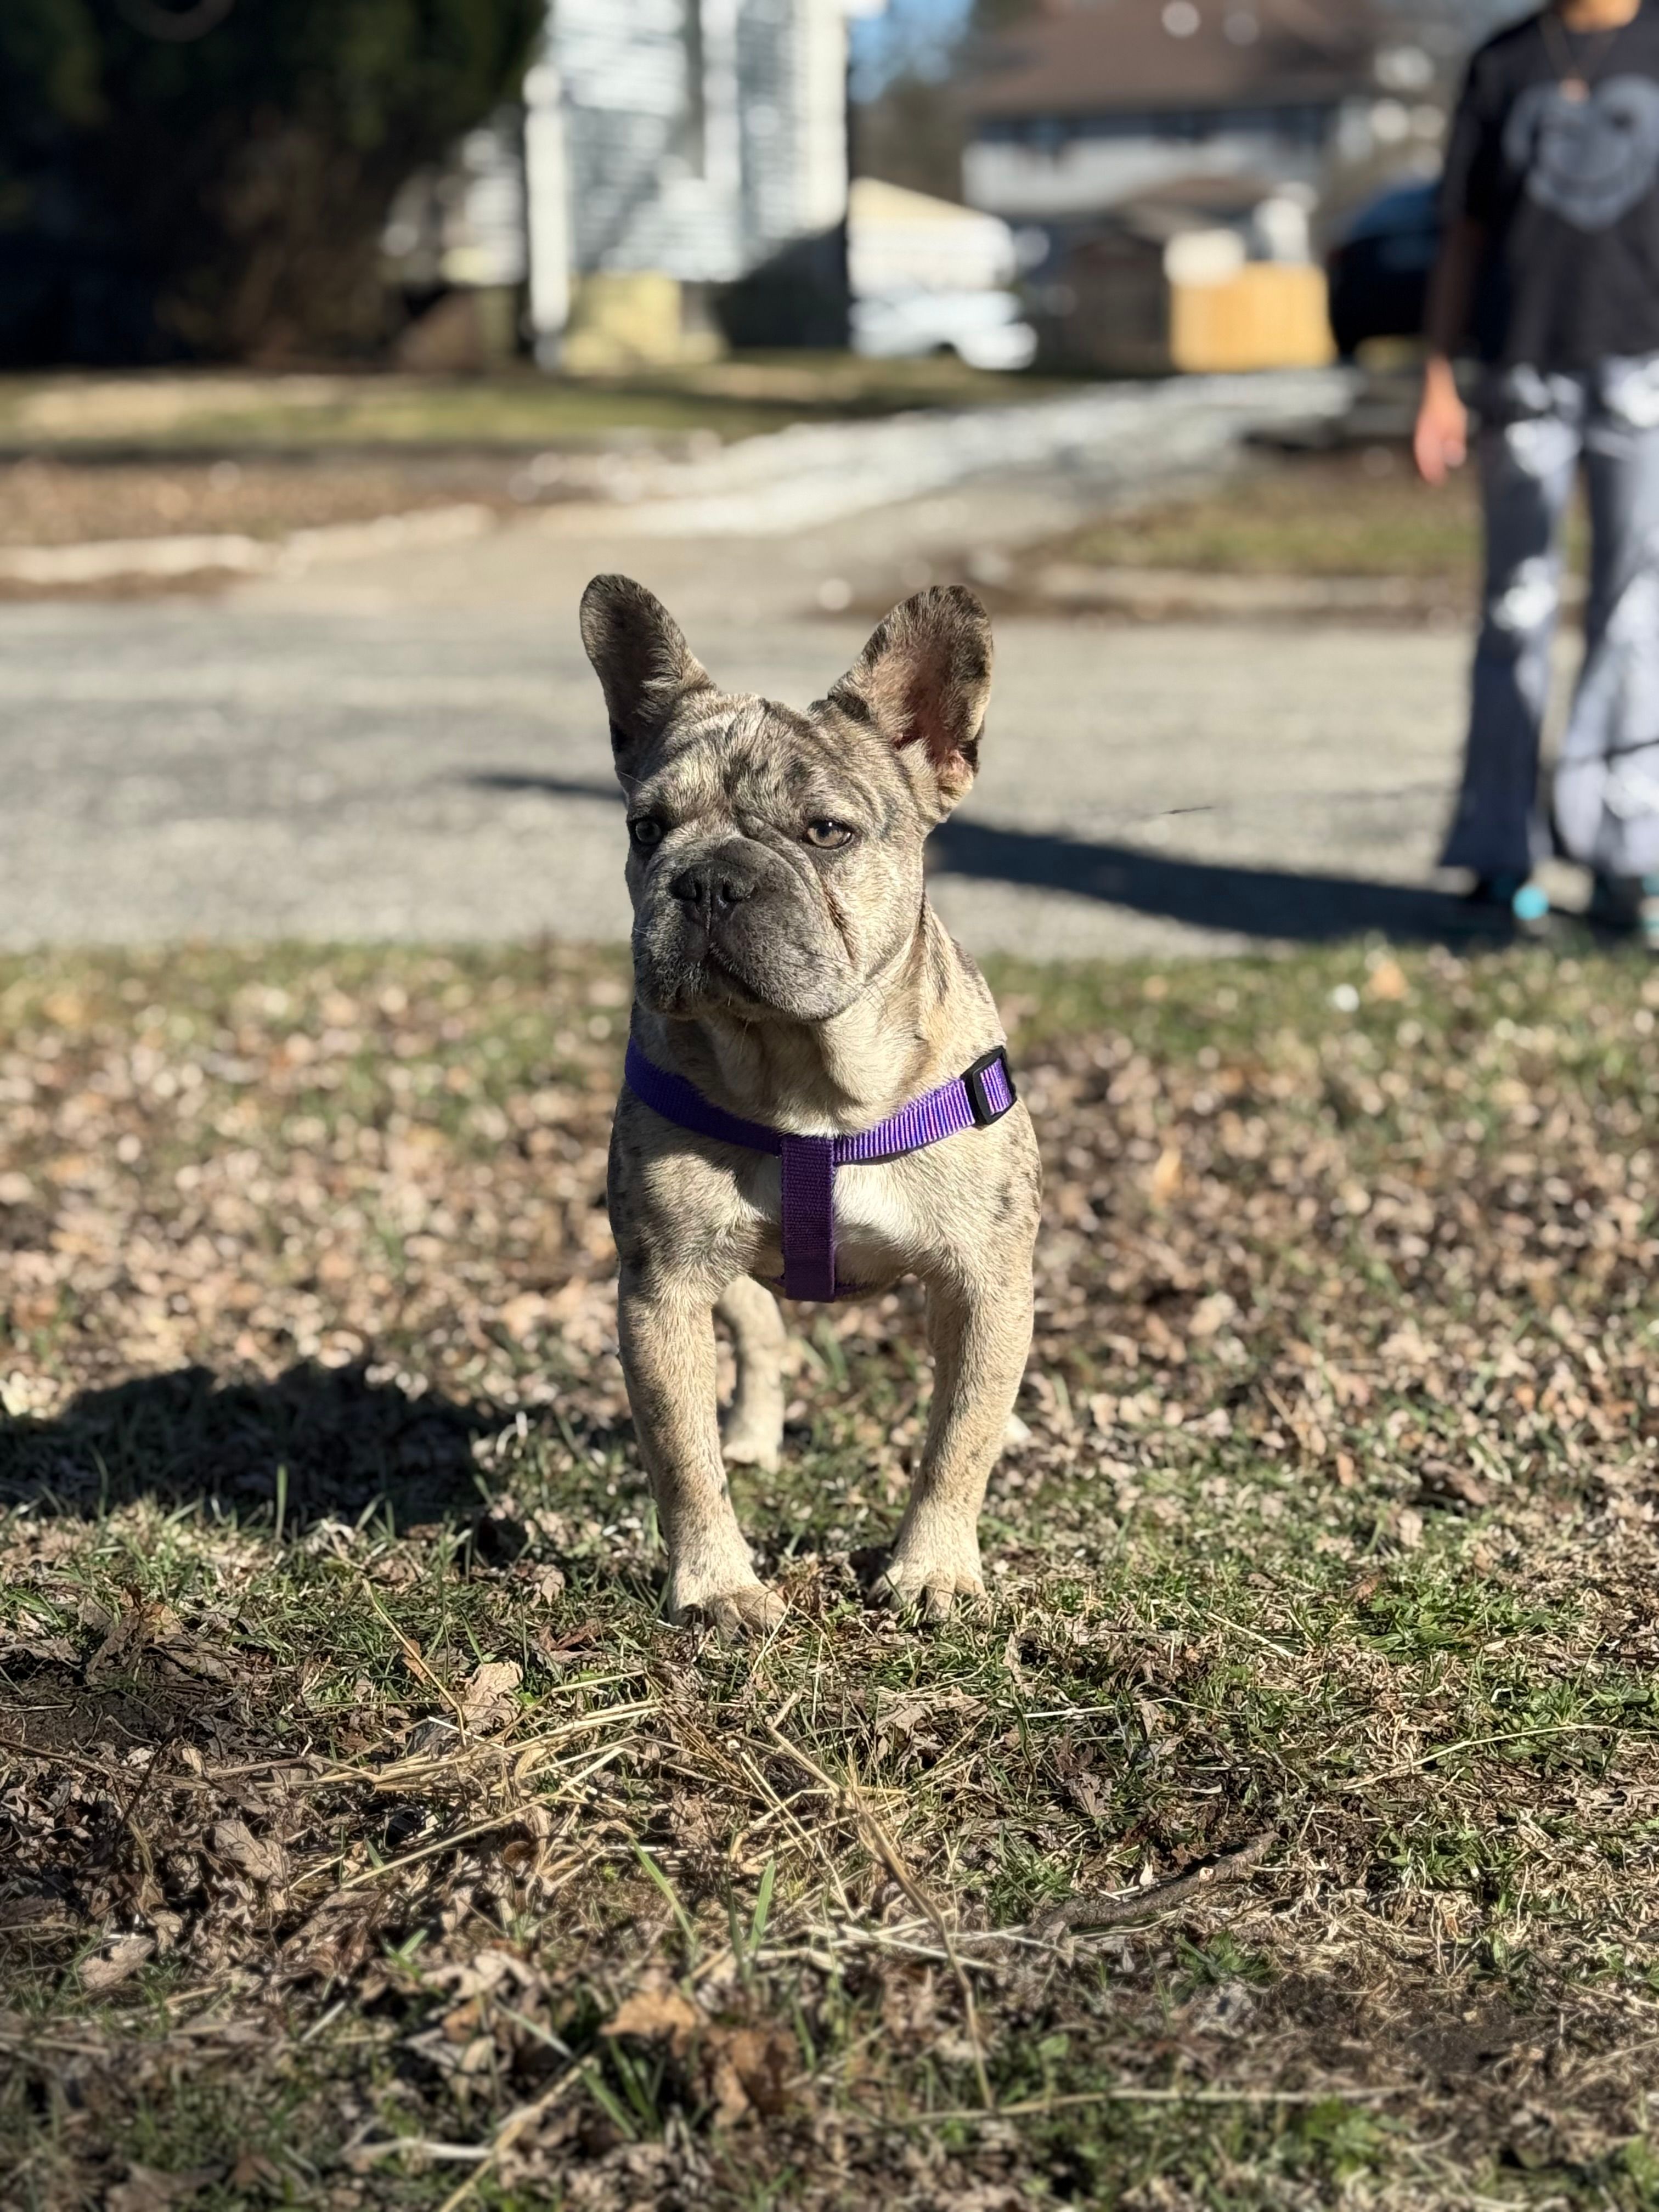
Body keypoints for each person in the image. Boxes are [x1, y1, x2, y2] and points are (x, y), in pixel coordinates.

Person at [1416, 0, 1659, 943]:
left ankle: (1626, 856)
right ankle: (1497, 850)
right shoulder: (1501, 63)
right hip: (1522, 375)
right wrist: (1438, 376)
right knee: (1515, 612)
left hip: (1644, 373)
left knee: (1634, 612)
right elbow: (1462, 233)